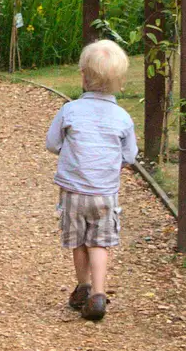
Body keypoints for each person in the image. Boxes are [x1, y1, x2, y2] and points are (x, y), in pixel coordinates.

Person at [45, 39, 138, 321]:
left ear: (83, 77)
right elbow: (130, 155)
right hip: (105, 194)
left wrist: (71, 152)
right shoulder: (122, 117)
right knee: (99, 242)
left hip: (73, 191)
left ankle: (82, 287)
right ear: (119, 83)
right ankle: (99, 293)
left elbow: (52, 143)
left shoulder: (70, 110)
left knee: (79, 240)